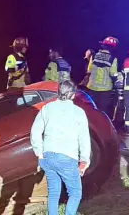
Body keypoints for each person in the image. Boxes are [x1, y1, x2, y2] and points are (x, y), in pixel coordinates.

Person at [31, 80, 91, 215]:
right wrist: (84, 161)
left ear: (58, 92)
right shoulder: (78, 112)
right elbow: (84, 139)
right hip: (67, 157)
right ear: (73, 95)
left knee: (53, 193)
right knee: (75, 193)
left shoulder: (47, 108)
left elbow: (35, 131)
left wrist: (39, 153)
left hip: (48, 156)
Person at [85, 36, 120, 114]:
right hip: (105, 91)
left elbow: (89, 70)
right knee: (101, 113)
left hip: (91, 87)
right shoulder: (112, 59)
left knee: (90, 111)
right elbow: (113, 74)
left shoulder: (94, 56)